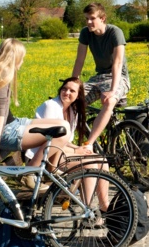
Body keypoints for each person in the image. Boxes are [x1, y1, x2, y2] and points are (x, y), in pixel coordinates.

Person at [0, 38, 72, 189]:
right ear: (15, 57)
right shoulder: (3, 73)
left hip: (12, 123)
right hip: (6, 131)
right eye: (22, 58)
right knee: (63, 133)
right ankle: (30, 173)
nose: (22, 61)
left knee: (64, 125)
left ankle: (49, 169)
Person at [35, 77, 109, 211]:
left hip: (59, 151)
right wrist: (76, 151)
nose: (67, 93)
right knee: (90, 164)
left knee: (101, 160)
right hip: (46, 156)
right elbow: (50, 139)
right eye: (64, 89)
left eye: (72, 91)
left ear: (78, 95)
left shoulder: (71, 111)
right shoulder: (51, 106)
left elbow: (65, 141)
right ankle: (87, 210)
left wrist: (78, 148)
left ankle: (104, 207)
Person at [71, 2, 130, 147]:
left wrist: (112, 91)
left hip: (118, 77)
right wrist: (72, 83)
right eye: (86, 19)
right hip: (98, 78)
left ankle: (89, 144)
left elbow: (117, 63)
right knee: (71, 101)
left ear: (102, 18)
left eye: (92, 18)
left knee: (109, 101)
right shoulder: (86, 33)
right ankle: (65, 142)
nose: (88, 22)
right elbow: (80, 60)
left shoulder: (115, 32)